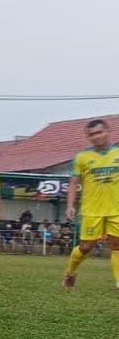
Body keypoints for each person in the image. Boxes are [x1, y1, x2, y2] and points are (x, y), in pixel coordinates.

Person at [62, 119, 119, 290]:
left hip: (116, 208)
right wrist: (70, 205)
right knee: (86, 247)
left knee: (117, 245)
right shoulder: (82, 157)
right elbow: (73, 183)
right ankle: (70, 273)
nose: (96, 137)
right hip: (91, 210)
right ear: (88, 137)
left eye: (99, 132)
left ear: (107, 131)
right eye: (92, 134)